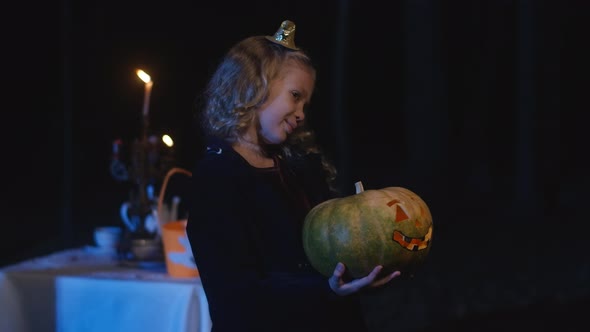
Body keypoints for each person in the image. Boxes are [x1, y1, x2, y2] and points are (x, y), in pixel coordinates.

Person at [186, 20, 401, 332]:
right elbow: (235, 295)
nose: (301, 113)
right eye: (295, 95)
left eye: (306, 103)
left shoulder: (300, 166)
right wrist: (325, 289)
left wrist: (358, 271)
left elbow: (332, 250)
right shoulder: (217, 177)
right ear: (253, 86)